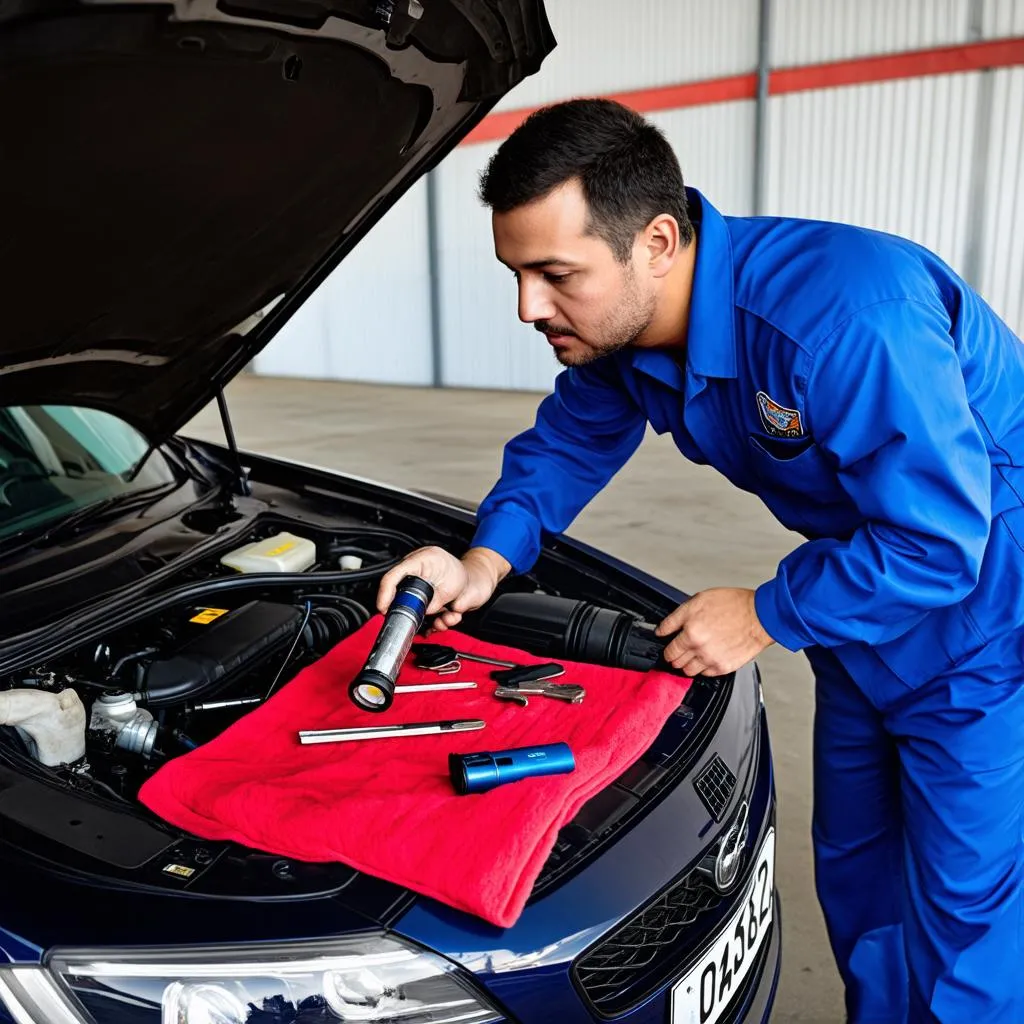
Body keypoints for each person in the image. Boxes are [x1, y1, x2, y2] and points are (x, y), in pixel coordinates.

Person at [375, 98, 1024, 1023]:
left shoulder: (844, 318)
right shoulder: (625, 332)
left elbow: (940, 541)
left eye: (556, 274)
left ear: (658, 241)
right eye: (516, 274)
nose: (530, 306)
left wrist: (763, 614)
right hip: (861, 606)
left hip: (991, 613)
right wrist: (482, 563)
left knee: (968, 921)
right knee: (858, 875)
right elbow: (567, 443)